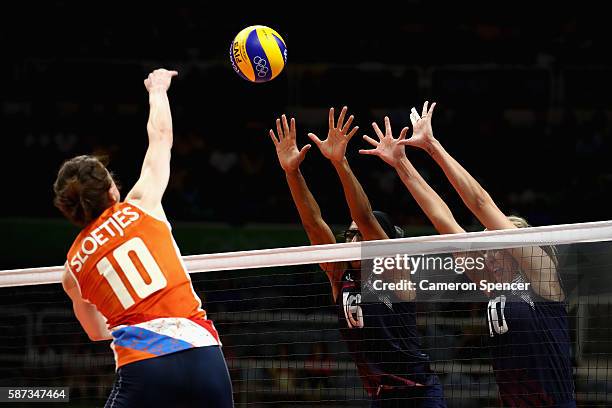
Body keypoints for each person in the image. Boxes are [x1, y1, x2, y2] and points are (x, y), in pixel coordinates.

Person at [360, 102, 575, 407]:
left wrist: (433, 147)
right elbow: (445, 222)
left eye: (491, 249)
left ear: (512, 249)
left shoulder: (540, 273)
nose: (485, 257)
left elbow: (480, 203)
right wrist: (401, 164)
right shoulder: (494, 288)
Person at [53, 69, 233, 408]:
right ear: (111, 188)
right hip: (204, 355)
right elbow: (161, 138)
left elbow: (97, 333)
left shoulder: (72, 270)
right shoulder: (143, 204)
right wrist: (158, 88)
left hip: (145, 367)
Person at [268, 107, 446, 407]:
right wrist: (292, 172)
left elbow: (363, 216)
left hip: (419, 395)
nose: (352, 239)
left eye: (360, 235)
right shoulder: (341, 276)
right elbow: (314, 224)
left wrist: (340, 163)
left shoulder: (394, 271)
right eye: (349, 235)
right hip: (378, 397)